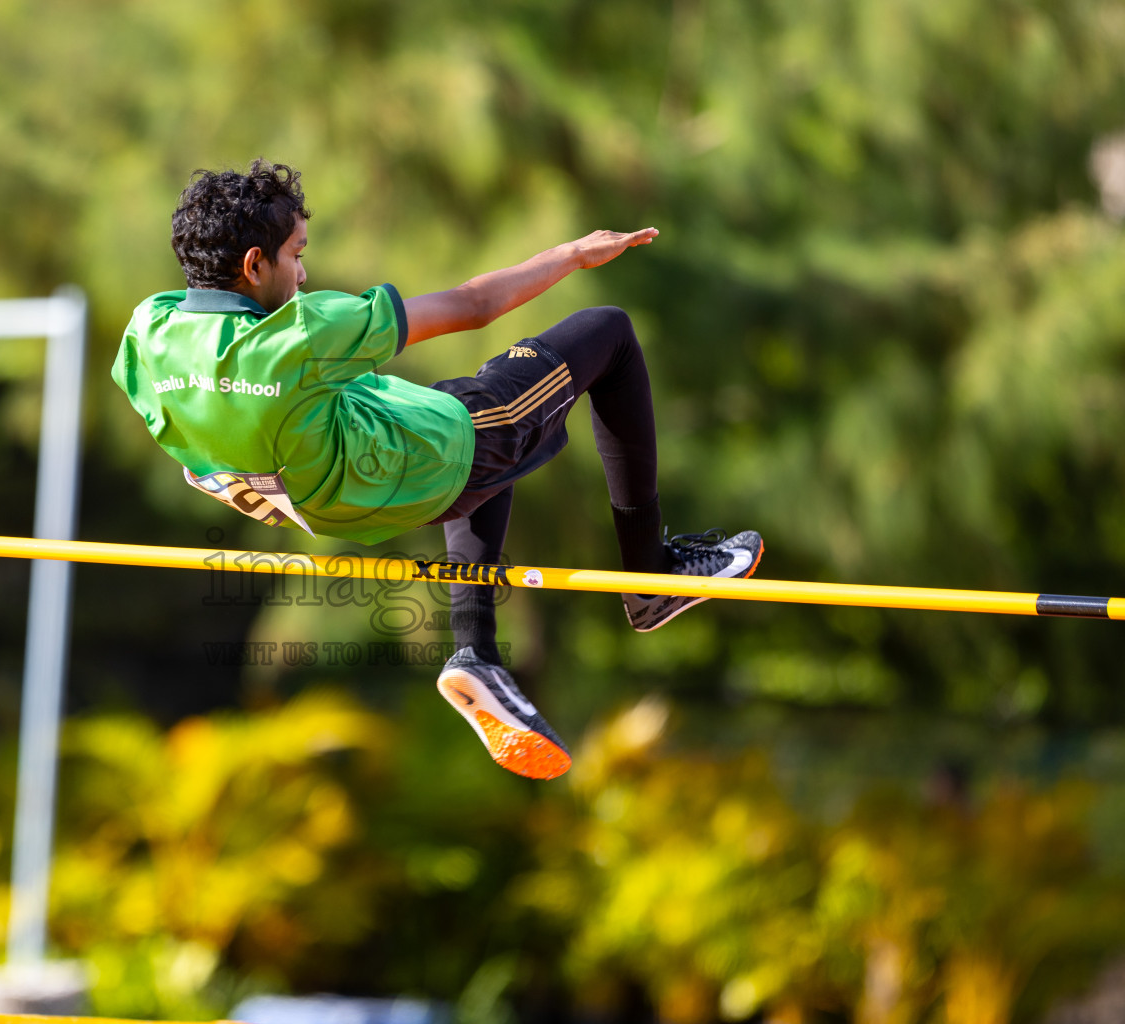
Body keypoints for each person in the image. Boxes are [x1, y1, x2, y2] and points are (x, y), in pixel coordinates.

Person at [113, 160, 762, 780]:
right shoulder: (300, 334)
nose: (304, 274)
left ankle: (476, 651)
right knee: (607, 334)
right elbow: (472, 304)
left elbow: (171, 425)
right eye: (296, 254)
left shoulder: (150, 331)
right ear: (254, 265)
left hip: (334, 502)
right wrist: (570, 255)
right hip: (427, 463)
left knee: (462, 400)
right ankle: (650, 579)